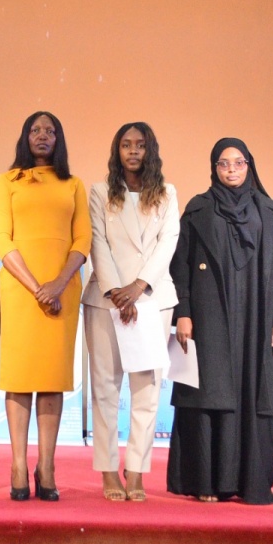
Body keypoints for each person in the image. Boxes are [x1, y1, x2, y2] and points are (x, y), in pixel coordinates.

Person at [168, 138, 273, 505]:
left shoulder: (267, 211)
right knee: (209, 392)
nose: (232, 169)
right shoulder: (198, 209)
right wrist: (183, 313)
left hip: (255, 318)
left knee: (252, 392)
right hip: (208, 316)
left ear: (249, 165)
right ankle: (207, 481)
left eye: (238, 163)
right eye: (224, 163)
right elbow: (180, 267)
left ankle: (249, 480)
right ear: (214, 168)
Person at [0, 111, 91, 501]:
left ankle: (46, 466)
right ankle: (18, 464)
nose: (43, 135)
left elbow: (83, 239)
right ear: (25, 136)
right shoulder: (7, 181)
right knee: (19, 377)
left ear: (59, 139)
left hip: (63, 291)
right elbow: (1, 237)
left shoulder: (73, 184)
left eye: (50, 131)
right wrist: (36, 288)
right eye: (36, 130)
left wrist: (58, 284)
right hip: (19, 290)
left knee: (51, 378)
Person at [81, 122, 179, 502]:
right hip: (106, 300)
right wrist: (116, 293)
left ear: (150, 150)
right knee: (105, 388)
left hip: (152, 300)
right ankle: (108, 471)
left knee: (147, 391)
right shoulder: (100, 192)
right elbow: (97, 243)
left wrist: (138, 288)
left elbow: (168, 242)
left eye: (140, 145)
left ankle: (136, 470)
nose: (133, 151)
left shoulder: (167, 193)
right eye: (126, 145)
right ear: (117, 151)